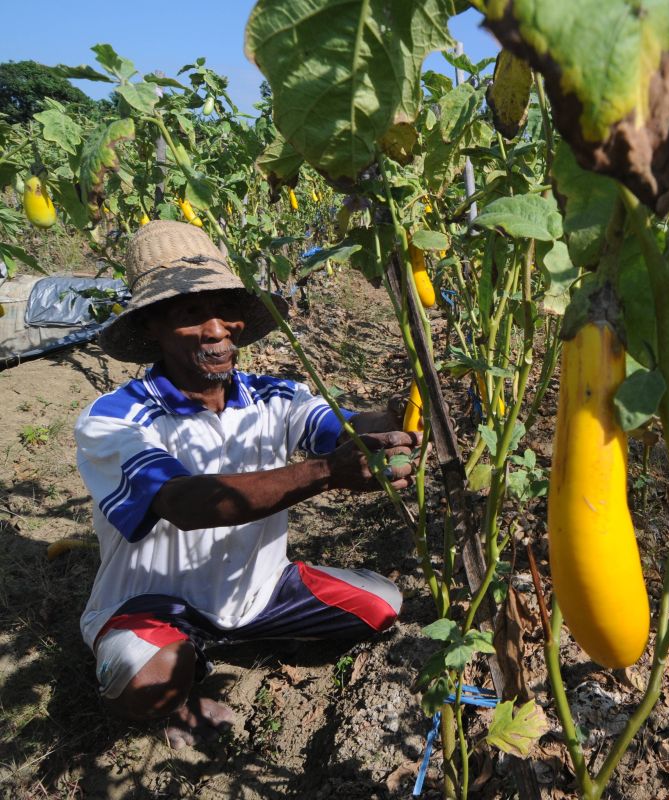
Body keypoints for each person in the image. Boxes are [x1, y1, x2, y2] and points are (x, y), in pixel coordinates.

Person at [75, 220, 420, 748]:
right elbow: (188, 504)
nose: (216, 330)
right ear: (153, 328)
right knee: (149, 678)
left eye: (225, 310)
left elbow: (338, 427)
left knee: (383, 605)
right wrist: (327, 473)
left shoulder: (273, 395)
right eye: (191, 313)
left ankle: (226, 638)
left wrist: (401, 414)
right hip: (153, 603)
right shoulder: (116, 419)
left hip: (258, 592)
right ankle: (179, 671)